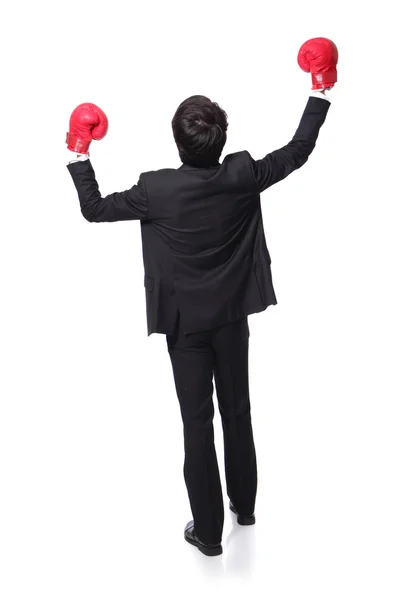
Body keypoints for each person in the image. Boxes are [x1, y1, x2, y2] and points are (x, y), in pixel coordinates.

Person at [66, 38, 338, 557]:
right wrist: (320, 91)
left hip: (186, 328)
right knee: (238, 409)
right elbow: (297, 152)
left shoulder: (157, 189)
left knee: (197, 423)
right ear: (221, 139)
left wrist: (79, 151)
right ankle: (246, 507)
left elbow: (95, 209)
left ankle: (209, 535)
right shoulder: (242, 175)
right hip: (233, 318)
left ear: (178, 142)